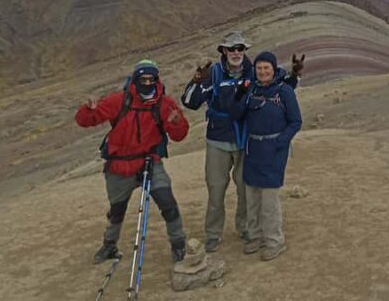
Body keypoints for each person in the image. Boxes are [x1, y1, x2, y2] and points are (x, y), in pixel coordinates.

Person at [181, 32, 304, 253]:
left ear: (244, 50)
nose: (236, 52)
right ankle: (213, 234)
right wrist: (197, 80)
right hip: (218, 140)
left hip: (245, 142)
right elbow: (190, 102)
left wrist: (295, 74)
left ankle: (247, 229)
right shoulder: (214, 73)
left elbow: (279, 84)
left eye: (240, 48)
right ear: (224, 51)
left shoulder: (254, 72)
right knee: (216, 189)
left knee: (246, 190)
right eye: (231, 49)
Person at [75, 59, 189, 264]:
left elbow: (180, 135)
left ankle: (179, 244)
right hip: (119, 166)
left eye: (151, 79)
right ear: (135, 80)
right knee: (116, 210)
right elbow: (86, 121)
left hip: (150, 162)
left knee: (168, 203)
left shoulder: (164, 104)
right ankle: (109, 245)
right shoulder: (120, 100)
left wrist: (177, 122)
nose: (147, 83)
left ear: (156, 80)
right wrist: (88, 110)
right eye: (142, 79)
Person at [235, 51, 302, 261]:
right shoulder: (252, 89)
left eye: (266, 68)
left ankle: (274, 241)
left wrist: (279, 143)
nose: (262, 71)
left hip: (273, 151)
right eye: (259, 68)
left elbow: (296, 121)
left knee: (269, 200)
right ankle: (255, 237)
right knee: (252, 196)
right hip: (253, 148)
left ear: (274, 69)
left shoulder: (284, 91)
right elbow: (237, 114)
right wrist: (239, 95)